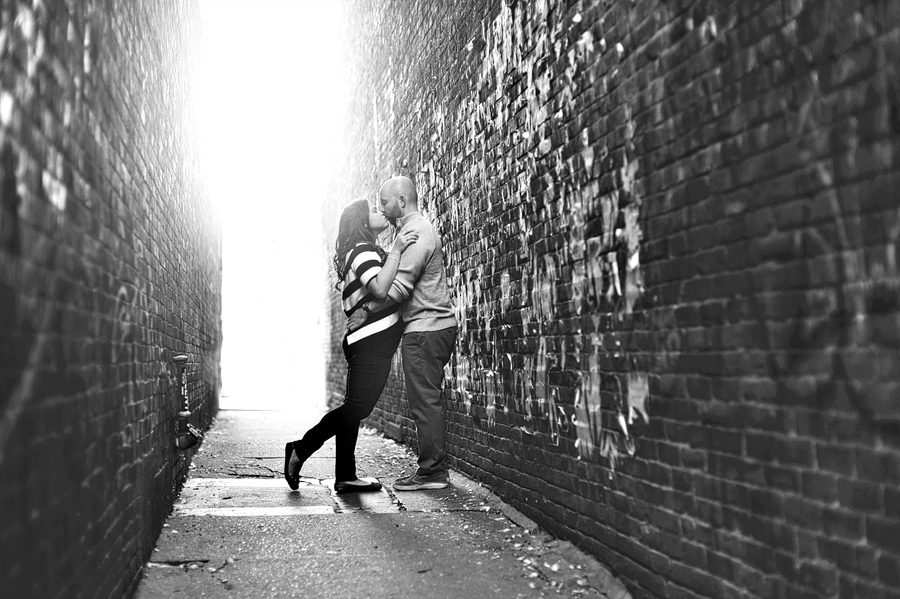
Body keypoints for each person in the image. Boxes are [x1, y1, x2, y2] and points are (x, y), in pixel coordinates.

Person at [284, 198, 418, 494]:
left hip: (368, 342)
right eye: (373, 210)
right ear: (362, 221)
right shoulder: (361, 252)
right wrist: (396, 250)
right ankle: (300, 449)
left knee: (354, 407)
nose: (380, 212)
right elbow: (381, 288)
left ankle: (345, 475)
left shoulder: (363, 251)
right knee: (358, 407)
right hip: (370, 343)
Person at [349, 175, 458, 491]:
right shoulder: (413, 230)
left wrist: (365, 311)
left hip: (425, 329)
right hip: (429, 327)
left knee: (424, 401)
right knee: (426, 399)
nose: (381, 209)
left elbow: (397, 289)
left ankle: (432, 472)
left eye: (383, 202)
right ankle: (431, 469)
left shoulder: (415, 233)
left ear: (401, 201)